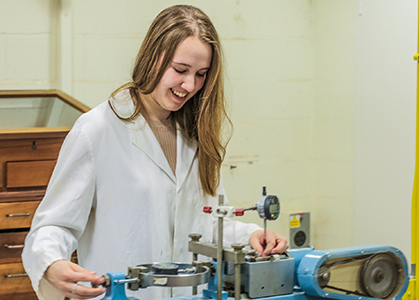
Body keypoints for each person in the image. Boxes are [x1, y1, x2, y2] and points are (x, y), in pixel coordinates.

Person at [22, 5, 288, 300]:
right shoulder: (97, 130)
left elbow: (207, 221)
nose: (190, 85)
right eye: (180, 70)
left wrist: (249, 236)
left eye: (201, 74)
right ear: (153, 57)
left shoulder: (196, 136)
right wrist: (51, 263)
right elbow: (54, 225)